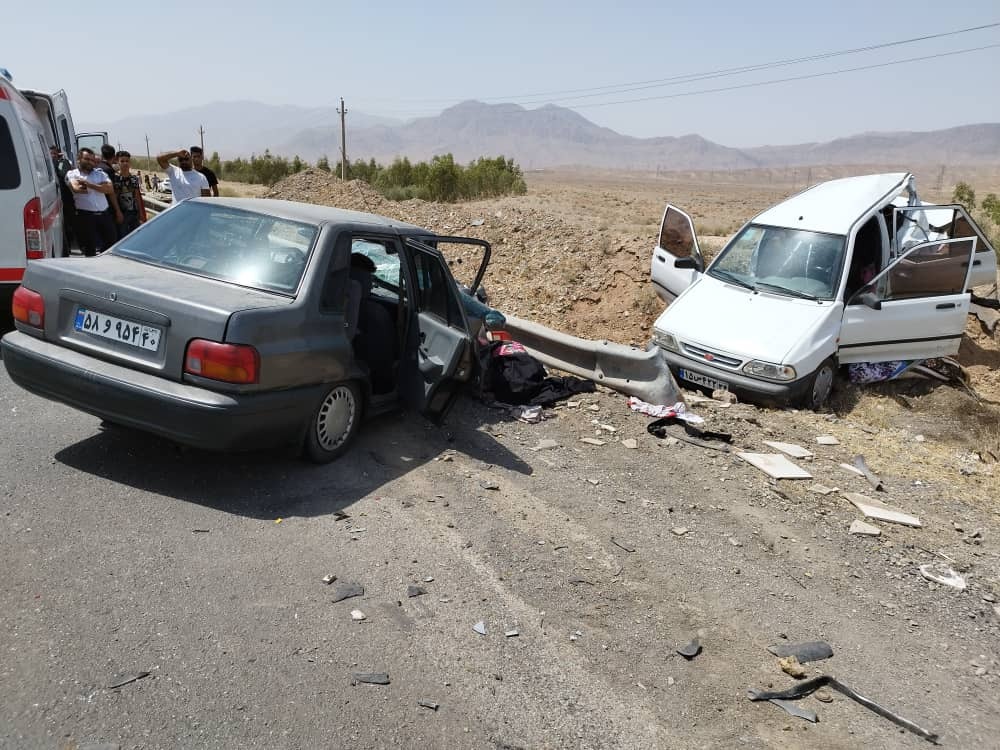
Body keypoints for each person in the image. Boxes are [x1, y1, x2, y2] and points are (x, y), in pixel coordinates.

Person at [65, 147, 117, 257]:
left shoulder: (100, 173)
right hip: (86, 216)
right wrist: (100, 186)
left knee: (111, 243)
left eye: (92, 160)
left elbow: (109, 189)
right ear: (79, 159)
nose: (90, 162)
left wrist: (88, 184)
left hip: (104, 215)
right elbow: (78, 189)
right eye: (87, 159)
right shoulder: (72, 174)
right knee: (89, 248)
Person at [112, 150, 145, 239]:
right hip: (122, 214)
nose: (125, 163)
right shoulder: (115, 179)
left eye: (127, 161)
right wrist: (118, 212)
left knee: (136, 237)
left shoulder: (134, 179)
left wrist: (141, 214)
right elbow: (114, 197)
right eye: (122, 161)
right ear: (117, 162)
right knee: (123, 237)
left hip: (134, 213)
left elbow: (137, 196)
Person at [50, 145, 76, 257]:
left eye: (54, 154)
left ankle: (68, 247)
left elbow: (63, 173)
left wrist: (58, 161)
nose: (52, 156)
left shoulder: (62, 163)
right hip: (56, 199)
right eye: (50, 154)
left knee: (67, 224)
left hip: (66, 199)